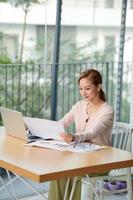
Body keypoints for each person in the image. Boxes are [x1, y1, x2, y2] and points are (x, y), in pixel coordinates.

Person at [48, 69, 114, 200]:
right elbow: (61, 123)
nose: (83, 93)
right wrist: (40, 129)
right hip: (81, 155)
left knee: (73, 171)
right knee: (58, 169)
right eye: (81, 89)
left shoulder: (107, 111)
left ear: (98, 87)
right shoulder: (78, 106)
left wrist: (74, 137)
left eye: (87, 88)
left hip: (101, 160)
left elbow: (92, 132)